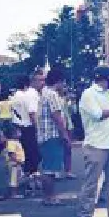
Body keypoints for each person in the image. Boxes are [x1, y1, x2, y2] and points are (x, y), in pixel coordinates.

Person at [77, 68, 109, 217]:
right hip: (96, 143)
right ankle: (85, 212)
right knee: (92, 180)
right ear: (104, 79)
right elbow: (98, 114)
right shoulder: (89, 94)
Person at [36, 66, 70, 206]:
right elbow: (56, 116)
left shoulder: (44, 93)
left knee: (48, 166)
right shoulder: (52, 95)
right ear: (59, 81)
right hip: (52, 135)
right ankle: (50, 197)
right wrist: (65, 134)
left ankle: (48, 196)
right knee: (50, 168)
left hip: (45, 134)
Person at [9, 72, 42, 176]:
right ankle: (32, 177)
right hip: (29, 127)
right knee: (33, 154)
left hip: (17, 127)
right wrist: (37, 129)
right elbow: (32, 113)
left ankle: (24, 175)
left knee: (23, 154)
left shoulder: (15, 96)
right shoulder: (31, 94)